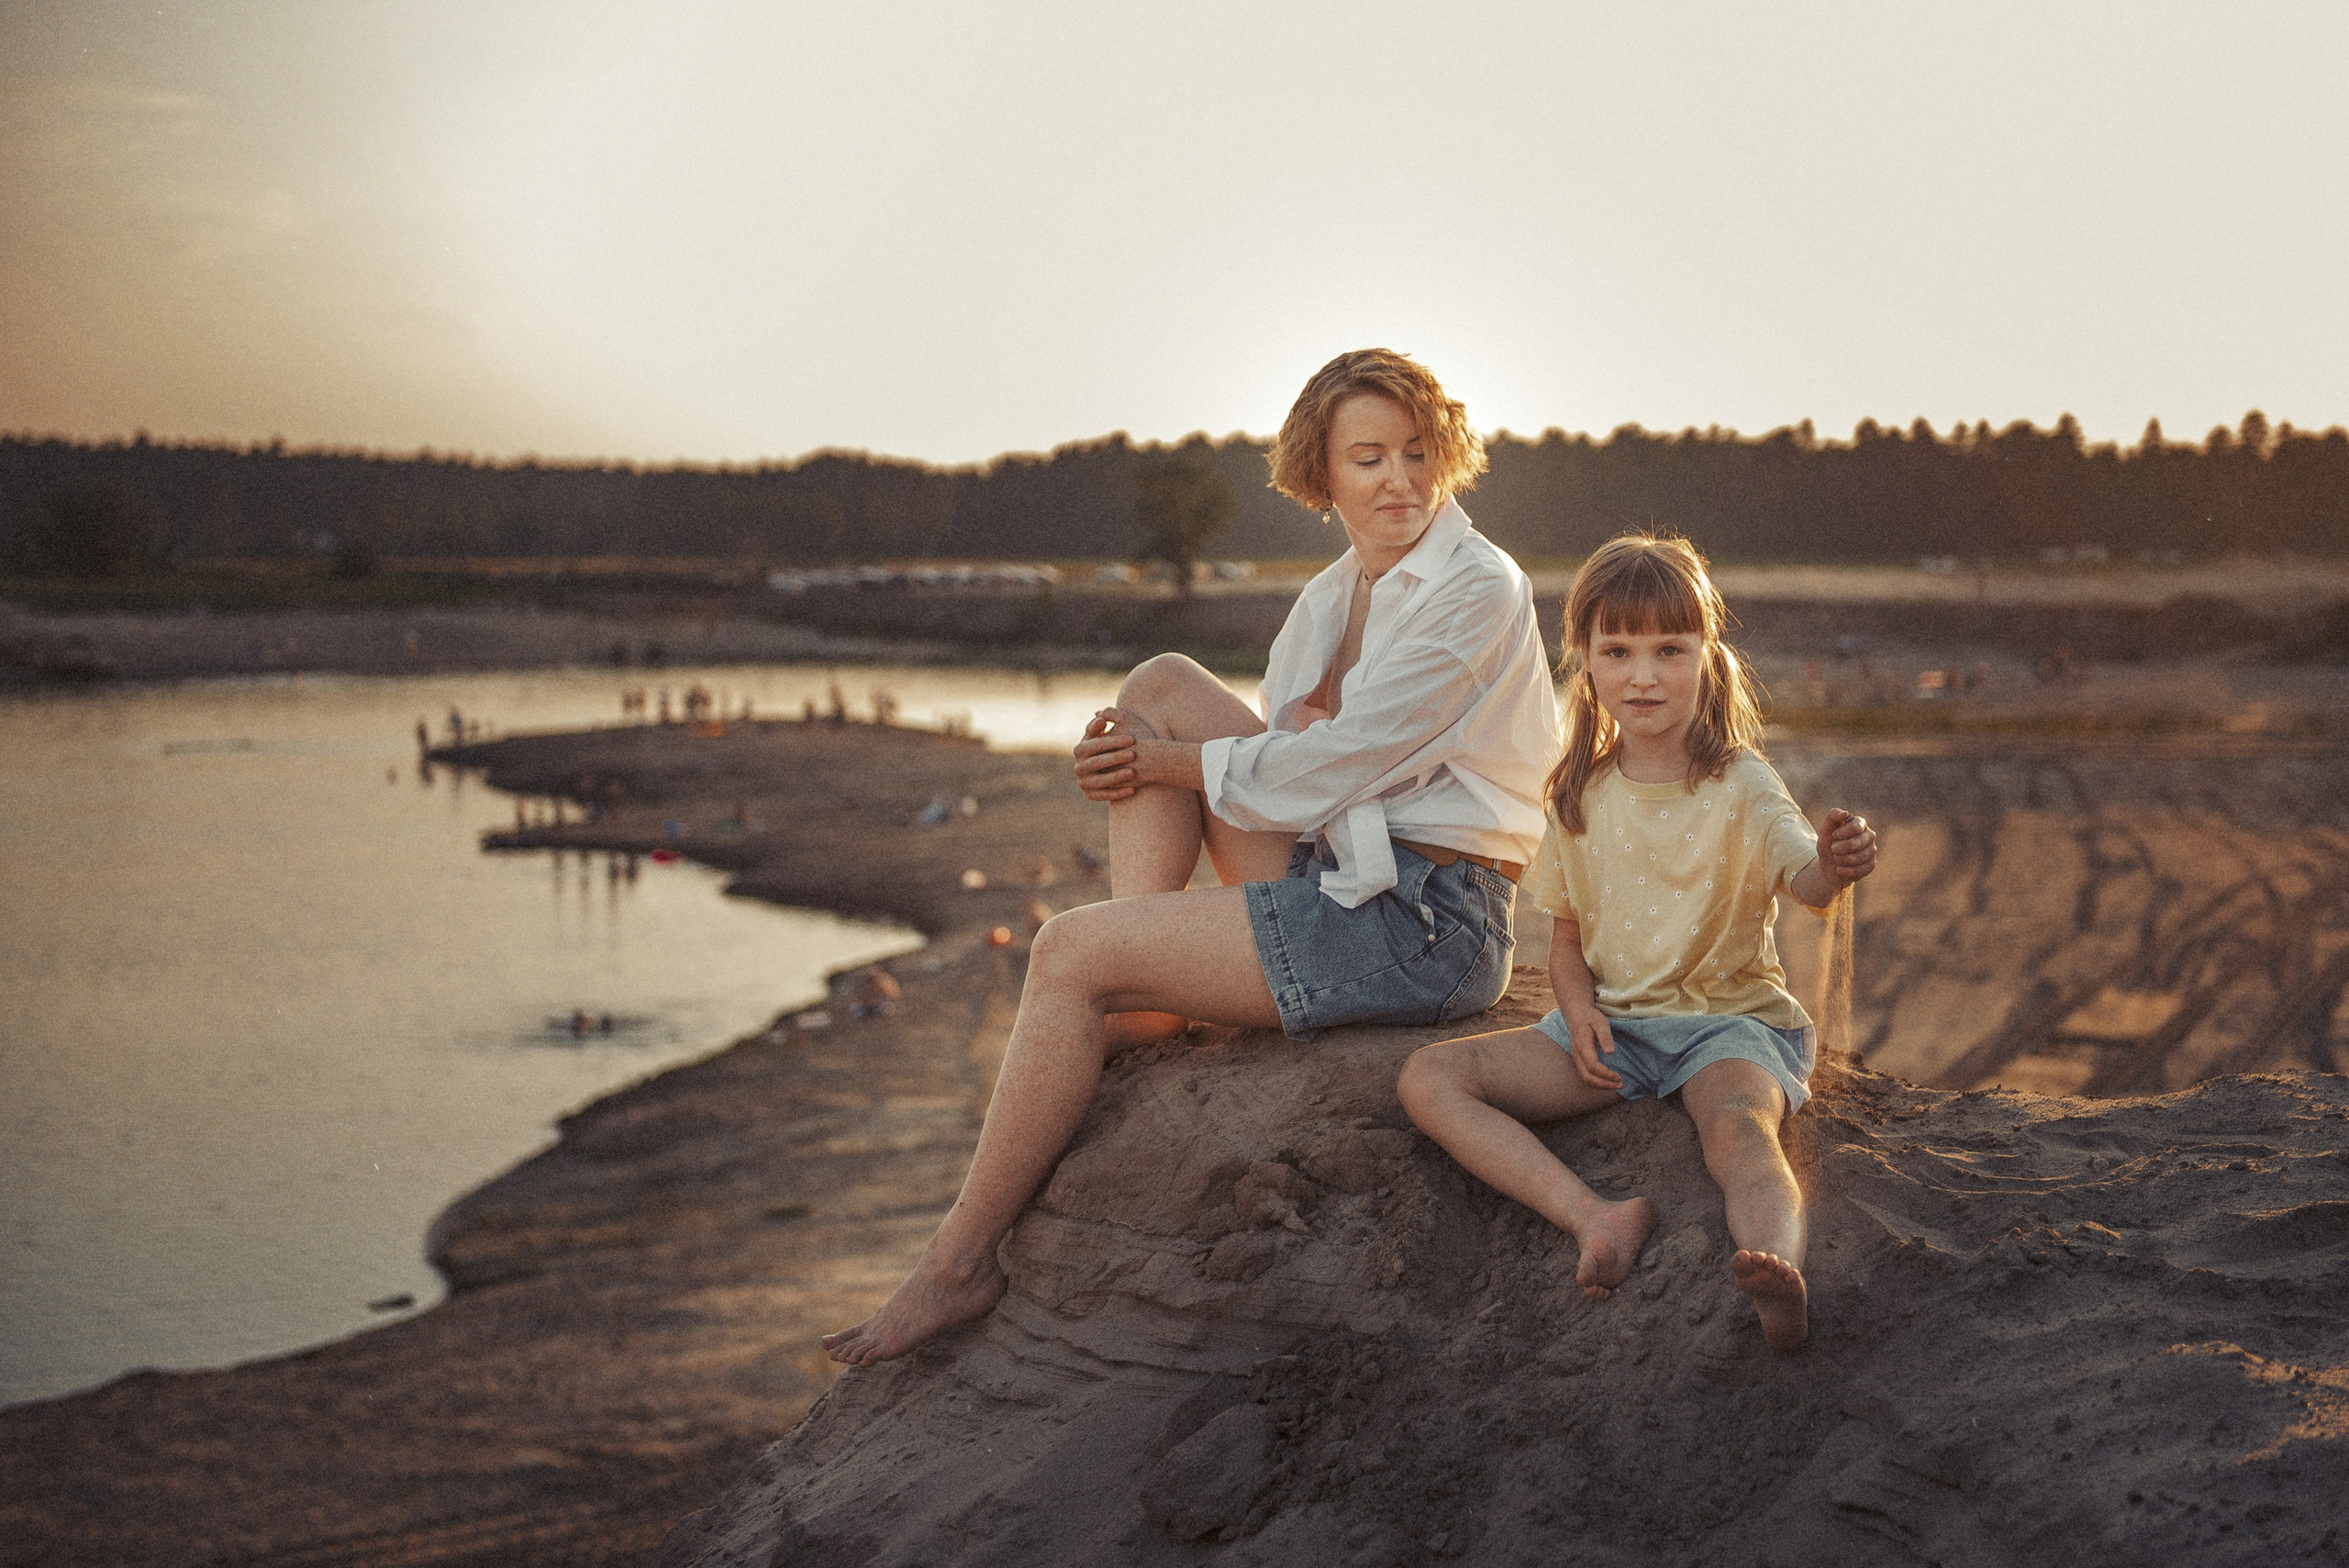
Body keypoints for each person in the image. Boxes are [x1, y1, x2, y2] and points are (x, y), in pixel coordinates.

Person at [822, 349, 1559, 1365]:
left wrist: (1163, 764)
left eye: (1419, 452)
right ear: (1324, 475)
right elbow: (1272, 762)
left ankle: (958, 1262)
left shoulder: (1475, 586)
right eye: (1370, 457)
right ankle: (1153, 979)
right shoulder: (1334, 594)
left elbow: (1328, 767)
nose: (1400, 479)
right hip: (1342, 868)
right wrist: (1137, 750)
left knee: (1068, 951)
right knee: (1160, 680)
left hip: (1426, 919)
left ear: (1451, 456)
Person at [1395, 533, 1877, 1352]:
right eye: (1617, 650)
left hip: (1731, 1025)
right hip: (1618, 1031)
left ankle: (1774, 1265)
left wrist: (1835, 864)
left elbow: (1807, 882)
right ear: (1583, 657)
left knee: (1739, 1130)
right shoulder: (1578, 793)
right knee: (1431, 1078)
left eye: (1668, 649)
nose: (1644, 674)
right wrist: (1577, 1013)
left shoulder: (1743, 783)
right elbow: (1568, 940)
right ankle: (1596, 1216)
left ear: (1706, 655)